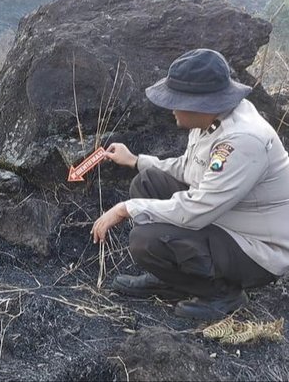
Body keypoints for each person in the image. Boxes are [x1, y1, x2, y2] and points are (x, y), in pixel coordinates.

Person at [91, 48, 289, 320]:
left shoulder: (242, 141)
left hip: (256, 249)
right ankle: (172, 279)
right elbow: (190, 168)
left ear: (201, 104)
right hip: (227, 216)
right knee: (147, 182)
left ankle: (222, 293)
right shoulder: (214, 119)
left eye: (176, 101)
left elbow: (196, 210)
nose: (171, 108)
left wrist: (126, 208)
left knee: (145, 241)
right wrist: (136, 161)